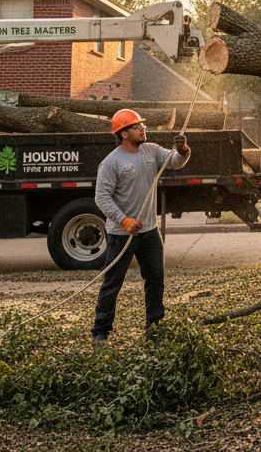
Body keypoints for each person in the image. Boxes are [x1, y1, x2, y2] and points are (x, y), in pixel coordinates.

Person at [91, 108, 190, 345]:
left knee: (155, 280)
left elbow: (175, 162)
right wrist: (124, 220)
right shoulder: (111, 162)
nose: (142, 129)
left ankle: (155, 328)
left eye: (141, 125)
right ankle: (100, 332)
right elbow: (101, 198)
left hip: (149, 232)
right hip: (121, 234)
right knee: (112, 283)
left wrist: (183, 150)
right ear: (124, 134)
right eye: (136, 126)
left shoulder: (152, 150)